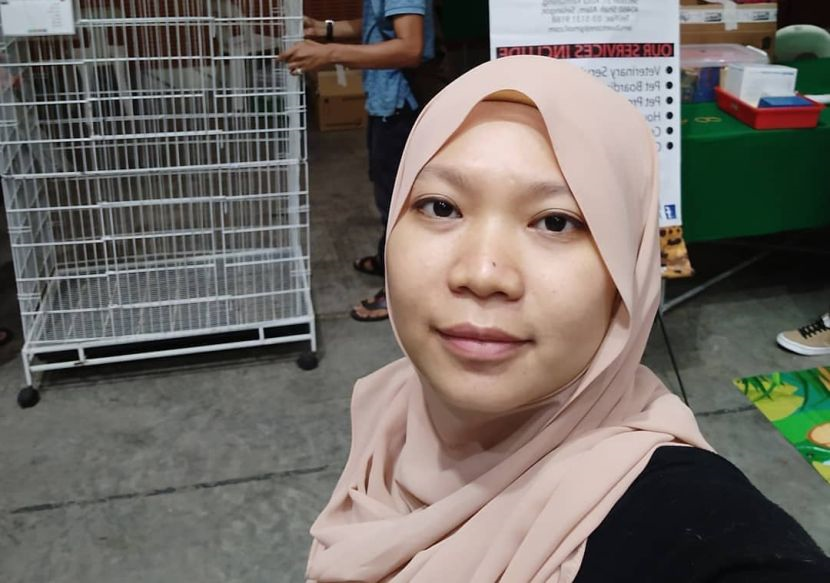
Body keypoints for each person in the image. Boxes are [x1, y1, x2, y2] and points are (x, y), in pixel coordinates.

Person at [305, 56, 830, 582]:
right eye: (441, 207)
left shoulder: (682, 513)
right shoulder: (389, 410)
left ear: (627, 270)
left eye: (556, 221)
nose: (482, 274)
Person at [279, 2, 437, 322]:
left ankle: (401, 291)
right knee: (387, 189)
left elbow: (410, 48)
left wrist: (329, 53)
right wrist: (324, 29)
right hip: (387, 102)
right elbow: (377, 23)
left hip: (402, 106)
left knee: (401, 202)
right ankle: (386, 258)